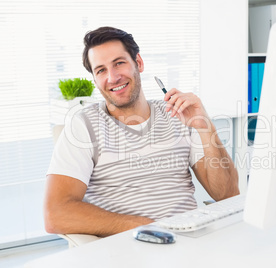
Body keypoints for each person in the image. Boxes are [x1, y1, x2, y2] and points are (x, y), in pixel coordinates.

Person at [44, 26, 239, 237]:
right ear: (94, 78)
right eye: (101, 70)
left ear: (138, 63)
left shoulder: (178, 115)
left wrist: (205, 127)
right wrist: (150, 227)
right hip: (131, 248)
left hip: (191, 244)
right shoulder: (82, 126)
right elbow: (56, 214)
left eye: (119, 63)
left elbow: (228, 195)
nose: (112, 77)